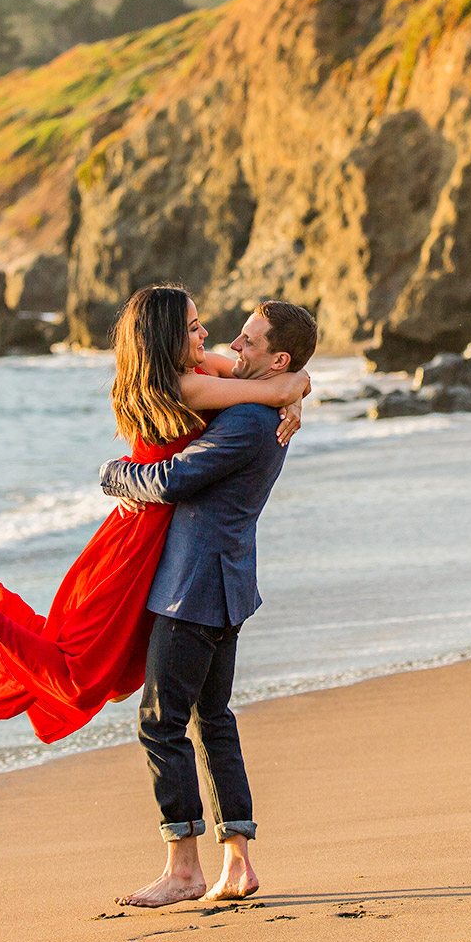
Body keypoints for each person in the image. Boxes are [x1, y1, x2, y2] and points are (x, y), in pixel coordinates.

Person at [0, 285, 308, 746]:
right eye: (193, 326)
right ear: (166, 337)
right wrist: (295, 392)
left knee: (114, 668)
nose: (207, 333)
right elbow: (279, 384)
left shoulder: (189, 371)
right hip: (138, 536)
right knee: (85, 676)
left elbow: (282, 380)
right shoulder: (188, 385)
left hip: (156, 532)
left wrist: (297, 390)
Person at [100, 298, 318, 907]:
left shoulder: (249, 420)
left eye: (248, 342)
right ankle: (239, 863)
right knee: (213, 720)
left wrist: (113, 474)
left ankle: (184, 869)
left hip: (194, 587)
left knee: (160, 723)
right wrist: (295, 386)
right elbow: (292, 376)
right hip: (227, 583)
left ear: (276, 356)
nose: (233, 346)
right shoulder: (268, 404)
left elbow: (169, 481)